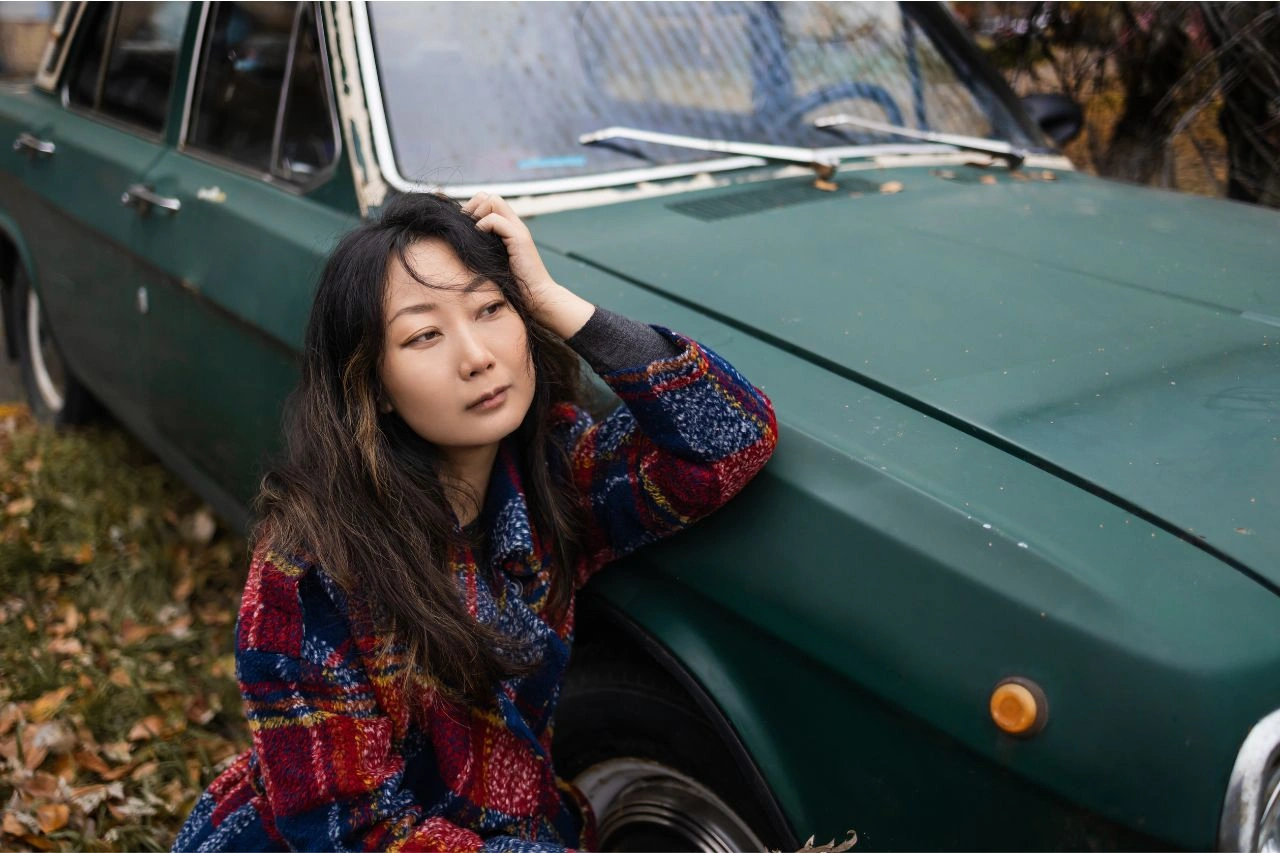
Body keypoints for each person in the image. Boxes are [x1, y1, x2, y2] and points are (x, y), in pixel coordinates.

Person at [173, 191, 778, 851]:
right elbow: (351, 833)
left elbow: (732, 436)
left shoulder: (551, 475)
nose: (477, 356)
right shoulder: (313, 564)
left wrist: (549, 298)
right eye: (424, 334)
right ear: (372, 384)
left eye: (492, 308)